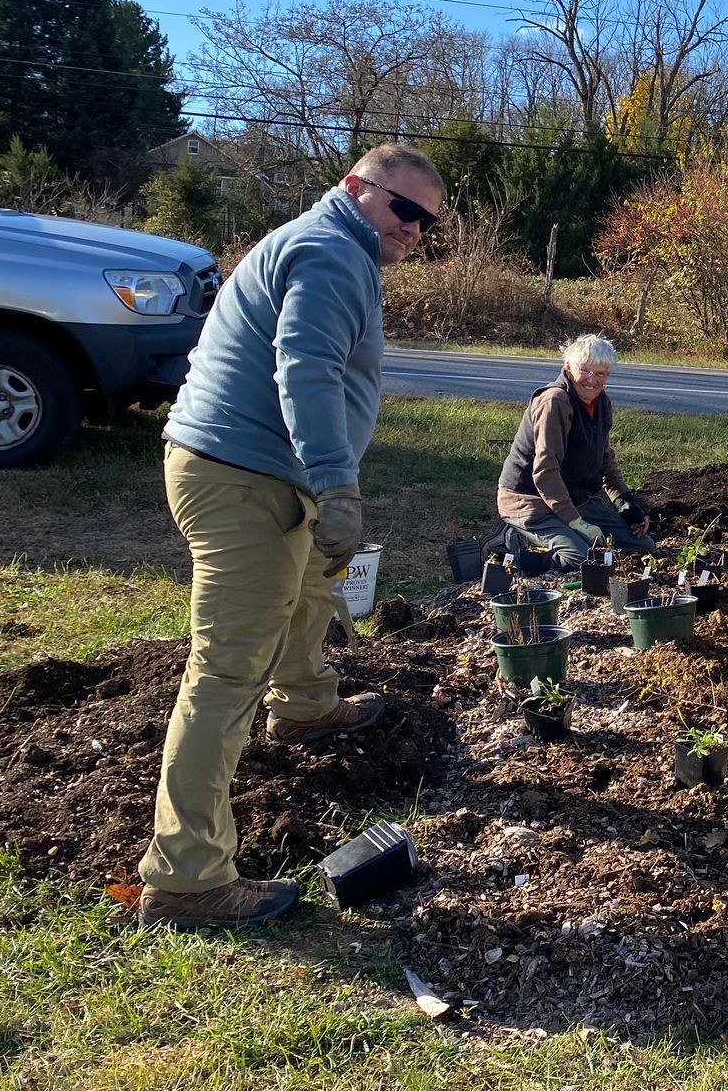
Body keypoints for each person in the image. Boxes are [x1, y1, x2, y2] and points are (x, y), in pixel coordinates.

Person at [137, 143, 445, 929]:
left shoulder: (326, 246)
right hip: (245, 480)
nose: (412, 230)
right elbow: (304, 368)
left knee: (313, 581)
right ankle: (187, 876)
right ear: (355, 188)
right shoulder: (330, 251)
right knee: (225, 669)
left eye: (426, 223)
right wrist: (336, 482)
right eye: (402, 209)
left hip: (260, 472)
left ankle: (305, 701)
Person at [496, 334, 655, 571]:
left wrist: (628, 505)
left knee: (642, 547)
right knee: (579, 560)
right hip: (529, 500)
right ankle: (512, 543)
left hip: (574, 499)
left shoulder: (602, 403)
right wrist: (575, 522)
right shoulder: (555, 401)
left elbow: (604, 459)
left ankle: (566, 532)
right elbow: (545, 471)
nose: (592, 380)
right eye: (585, 370)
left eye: (600, 373)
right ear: (568, 368)